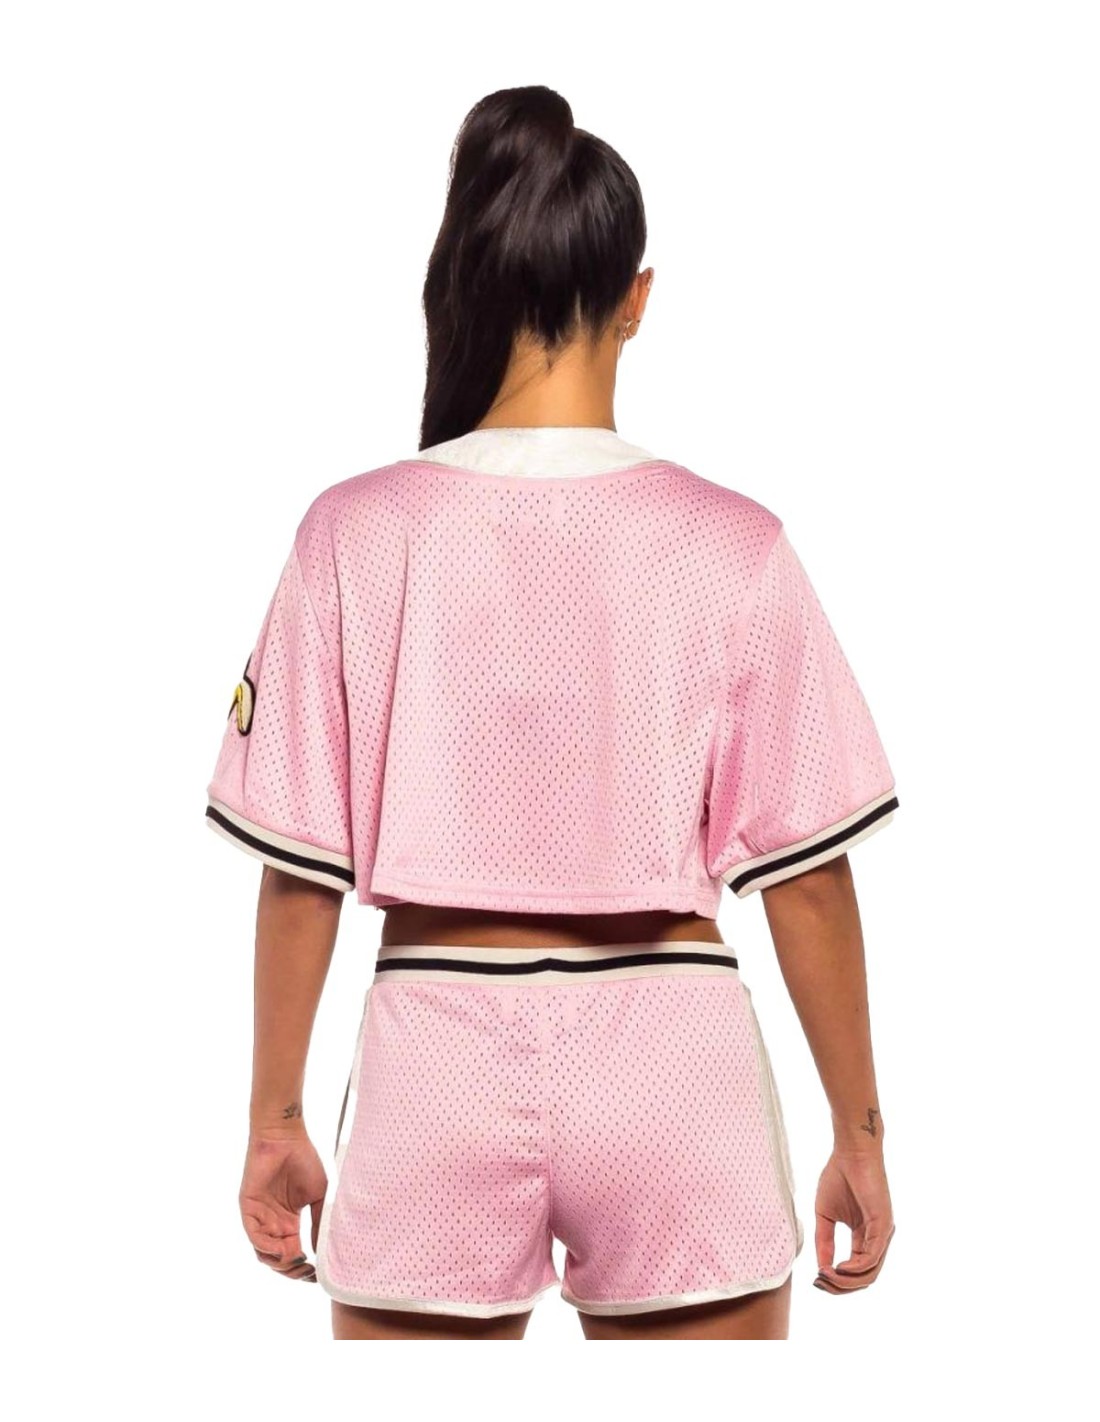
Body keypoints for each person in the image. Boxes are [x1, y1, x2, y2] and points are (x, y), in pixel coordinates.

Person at [204, 84, 898, 1342]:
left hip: (434, 1051)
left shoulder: (354, 530)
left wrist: (275, 1120)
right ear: (637, 297)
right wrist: (859, 1134)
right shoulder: (730, 543)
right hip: (670, 1058)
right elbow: (804, 879)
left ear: (467, 284)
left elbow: (299, 874)